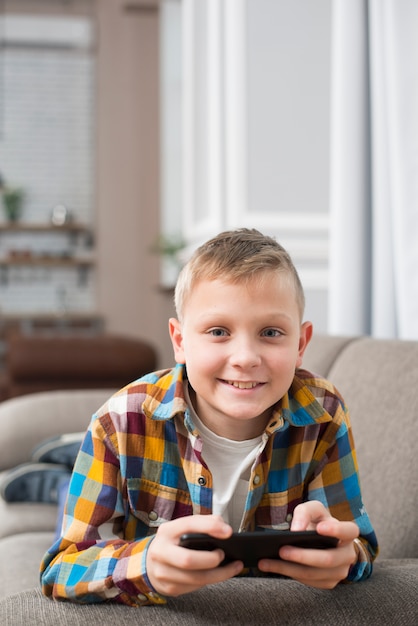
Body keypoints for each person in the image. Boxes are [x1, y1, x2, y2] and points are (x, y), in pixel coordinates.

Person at [40, 228, 378, 606]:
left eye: (270, 332)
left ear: (300, 344)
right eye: (219, 331)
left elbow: (361, 546)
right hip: (117, 454)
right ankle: (54, 470)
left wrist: (344, 557)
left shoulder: (325, 414)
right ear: (180, 341)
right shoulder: (118, 421)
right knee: (62, 486)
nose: (246, 357)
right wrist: (145, 562)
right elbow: (61, 569)